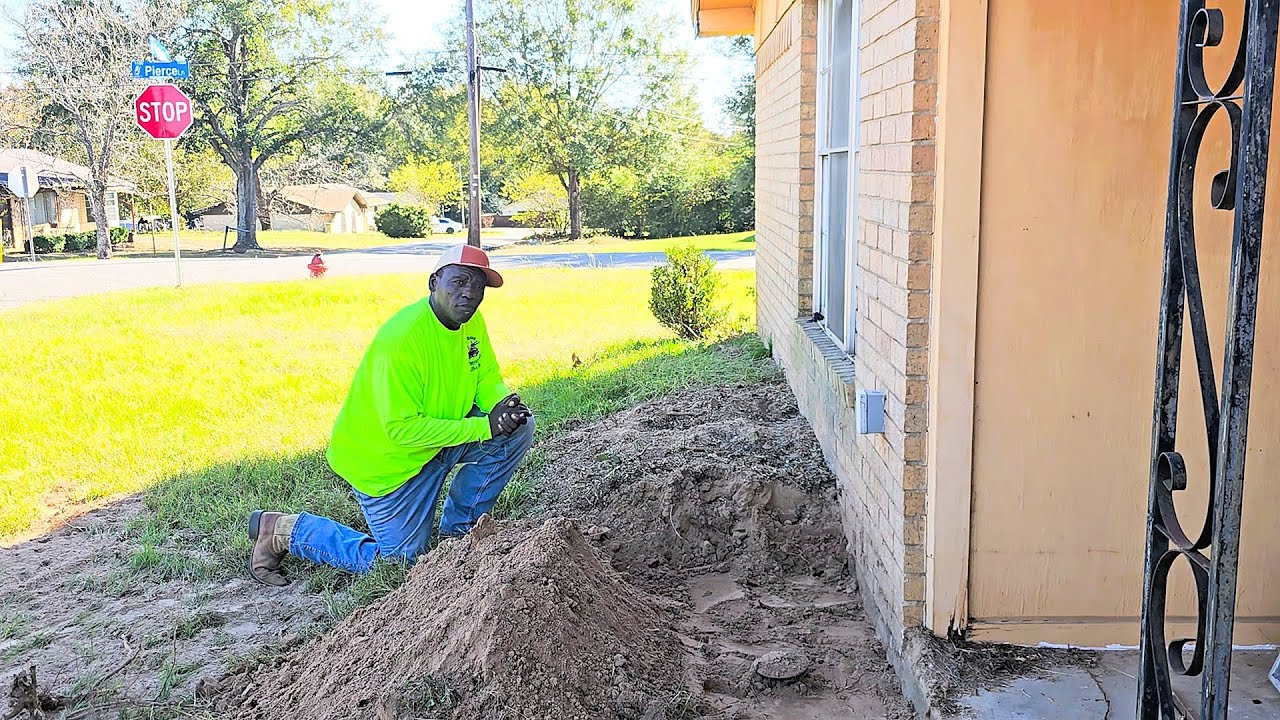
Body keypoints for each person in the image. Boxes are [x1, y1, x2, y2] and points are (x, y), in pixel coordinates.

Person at [247, 244, 533, 586]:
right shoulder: (403, 339)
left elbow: (484, 376)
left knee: (519, 429)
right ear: (434, 283)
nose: (469, 294)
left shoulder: (470, 322)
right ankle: (282, 530)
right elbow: (402, 429)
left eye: (478, 286)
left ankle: (460, 535)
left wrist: (504, 404)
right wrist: (484, 427)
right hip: (388, 465)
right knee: (401, 567)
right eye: (459, 282)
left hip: (436, 440)